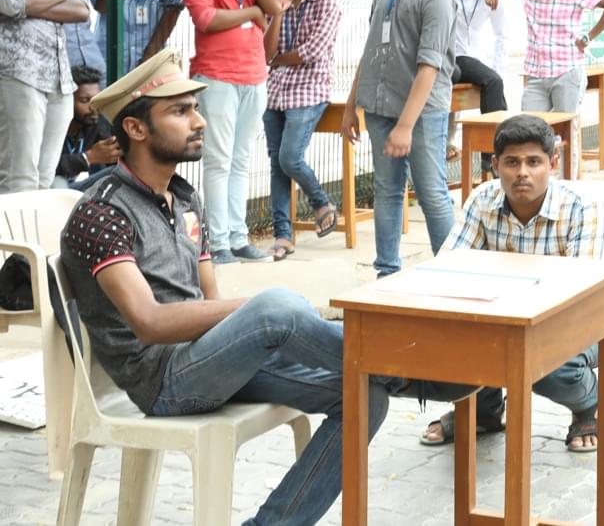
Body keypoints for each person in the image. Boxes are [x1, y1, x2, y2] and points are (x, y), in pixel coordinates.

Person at [58, 48, 396, 526]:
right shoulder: (101, 211)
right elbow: (150, 323)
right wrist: (265, 315)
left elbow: (210, 304)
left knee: (366, 397)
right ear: (135, 129)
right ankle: (407, 368)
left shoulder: (184, 198)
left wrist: (258, 330)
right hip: (160, 382)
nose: (199, 121)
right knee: (275, 306)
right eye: (180, 111)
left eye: (195, 107)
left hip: (205, 360)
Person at [417, 113, 604, 453]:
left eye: (534, 162)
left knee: (547, 366)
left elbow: (580, 292)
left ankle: (589, 403)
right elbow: (448, 268)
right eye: (512, 162)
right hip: (503, 318)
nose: (522, 173)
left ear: (554, 163)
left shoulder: (581, 207)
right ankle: (485, 411)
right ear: (494, 165)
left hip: (579, 318)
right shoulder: (482, 199)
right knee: (460, 337)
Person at [342, 0, 457, 277]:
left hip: (421, 114)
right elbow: (372, 47)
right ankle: (387, 273)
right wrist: (350, 106)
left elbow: (430, 66)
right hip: (379, 106)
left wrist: (406, 126)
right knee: (387, 191)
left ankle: (452, 274)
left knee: (431, 194)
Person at [177, 0, 282, 264]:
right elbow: (206, 18)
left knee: (241, 160)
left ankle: (239, 238)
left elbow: (276, 5)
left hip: (254, 75)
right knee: (218, 160)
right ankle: (217, 242)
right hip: (216, 75)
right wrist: (252, 13)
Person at [482, 0, 604, 174]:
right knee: (530, 129)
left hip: (567, 69)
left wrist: (588, 37)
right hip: (536, 73)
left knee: (568, 131)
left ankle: (568, 184)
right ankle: (539, 183)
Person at [0, 0, 90, 192]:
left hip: (60, 80)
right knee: (18, 178)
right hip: (17, 75)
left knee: (44, 178)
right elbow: (10, 0)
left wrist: (31, 3)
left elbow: (81, 7)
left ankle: (32, 244)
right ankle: (9, 245)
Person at [261, 0, 342, 260]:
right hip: (275, 92)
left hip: (310, 90)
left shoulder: (326, 3)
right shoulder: (273, 1)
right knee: (277, 165)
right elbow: (266, 52)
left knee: (289, 158)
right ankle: (283, 235)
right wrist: (278, 9)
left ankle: (321, 202)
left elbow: (312, 53)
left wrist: (278, 58)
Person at [450, 0, 510, 176]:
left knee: (494, 82)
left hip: (474, 61)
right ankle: (492, 154)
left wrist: (497, 69)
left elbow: (502, 34)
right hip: (453, 57)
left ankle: (494, 155)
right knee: (493, 83)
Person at [54, 65, 119, 191]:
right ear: (67, 100)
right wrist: (88, 157)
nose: (93, 107)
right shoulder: (52, 126)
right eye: (85, 100)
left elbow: (112, 156)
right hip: (53, 190)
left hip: (77, 186)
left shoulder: (94, 121)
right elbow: (45, 168)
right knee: (58, 184)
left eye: (96, 99)